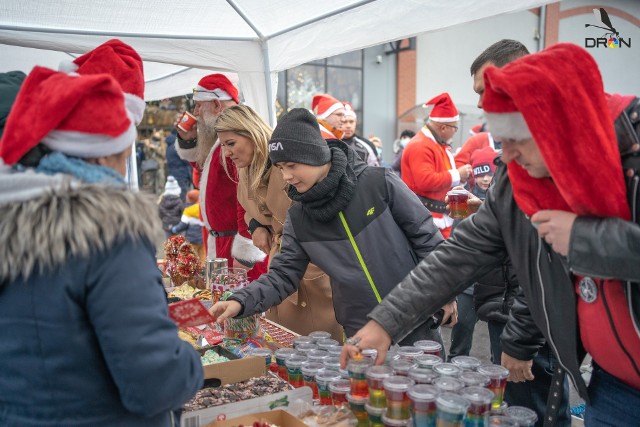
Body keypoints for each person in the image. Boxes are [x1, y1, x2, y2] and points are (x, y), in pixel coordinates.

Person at [343, 43, 640, 426]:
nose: (508, 154)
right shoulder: (519, 182)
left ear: (560, 121)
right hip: (611, 384)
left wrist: (585, 240)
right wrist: (384, 323)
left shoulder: (630, 150)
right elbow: (459, 255)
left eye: (518, 137)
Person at [0, 66, 202, 426]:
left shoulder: (13, 217)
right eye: (124, 155)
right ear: (102, 155)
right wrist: (188, 359)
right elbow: (154, 382)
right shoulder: (109, 232)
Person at [209, 108, 456, 344]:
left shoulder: (378, 183)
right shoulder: (299, 217)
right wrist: (241, 301)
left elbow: (427, 238)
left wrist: (444, 291)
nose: (286, 177)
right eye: (282, 168)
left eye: (292, 166)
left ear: (314, 155)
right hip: (363, 331)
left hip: (415, 317)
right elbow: (283, 276)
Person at [213, 105, 343, 340]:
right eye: (223, 145)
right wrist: (256, 227)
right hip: (282, 271)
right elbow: (247, 207)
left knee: (317, 351)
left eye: (230, 143)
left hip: (313, 270)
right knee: (283, 346)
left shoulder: (288, 166)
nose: (226, 153)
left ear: (252, 133)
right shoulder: (246, 170)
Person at [175, 73, 267, 279]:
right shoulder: (222, 140)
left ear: (217, 105)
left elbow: (249, 199)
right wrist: (188, 142)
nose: (196, 113)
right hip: (222, 242)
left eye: (199, 106)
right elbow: (207, 173)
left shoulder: (235, 140)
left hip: (236, 245)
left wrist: (245, 255)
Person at [401, 93, 473, 239]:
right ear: (444, 127)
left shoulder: (435, 144)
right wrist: (458, 175)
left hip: (436, 217)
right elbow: (425, 181)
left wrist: (461, 177)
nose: (455, 131)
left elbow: (442, 174)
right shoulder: (421, 146)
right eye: (455, 127)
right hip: (427, 219)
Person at [171, 189, 206, 261]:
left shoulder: (188, 211)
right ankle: (204, 270)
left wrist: (174, 229)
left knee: (191, 258)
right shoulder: (204, 209)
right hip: (203, 238)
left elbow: (182, 226)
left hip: (192, 239)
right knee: (203, 257)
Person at [165, 128, 193, 201]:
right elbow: (186, 160)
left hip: (173, 173)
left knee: (176, 196)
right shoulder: (177, 146)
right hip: (182, 174)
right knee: (183, 196)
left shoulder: (169, 146)